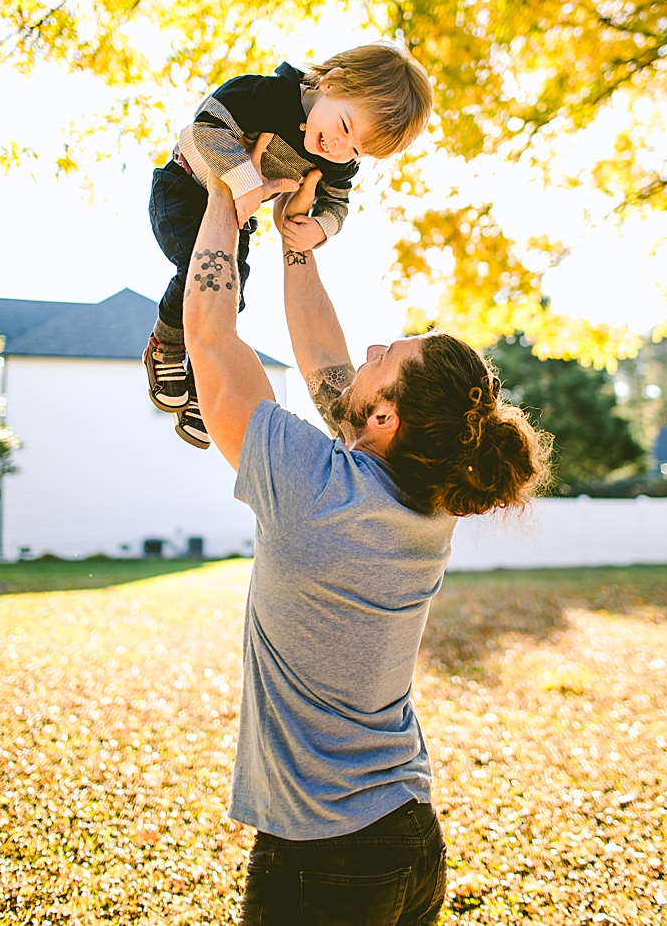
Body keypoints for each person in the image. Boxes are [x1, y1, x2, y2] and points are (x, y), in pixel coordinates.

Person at [181, 138, 550, 925]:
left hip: (323, 859)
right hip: (408, 835)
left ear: (385, 420)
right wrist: (295, 241)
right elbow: (326, 361)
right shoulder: (432, 496)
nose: (372, 349)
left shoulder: (312, 492)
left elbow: (210, 338)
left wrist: (223, 195)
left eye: (388, 357)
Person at [145, 41, 434, 447]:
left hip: (238, 217)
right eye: (346, 129)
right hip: (185, 187)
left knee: (231, 291)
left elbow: (337, 201)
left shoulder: (338, 160)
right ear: (332, 83)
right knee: (200, 269)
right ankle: (166, 345)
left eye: (357, 150)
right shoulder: (268, 95)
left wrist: (319, 229)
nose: (339, 148)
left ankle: (200, 382)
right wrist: (243, 180)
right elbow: (204, 128)